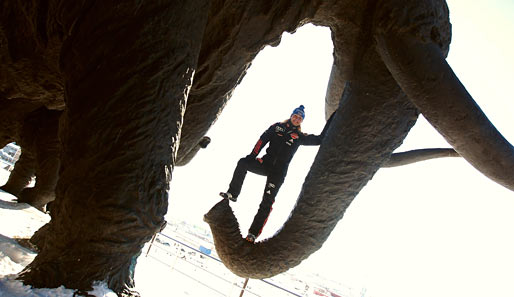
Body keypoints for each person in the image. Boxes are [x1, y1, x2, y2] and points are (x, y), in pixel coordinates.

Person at [219, 105, 334, 243]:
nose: (297, 119)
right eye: (295, 116)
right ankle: (233, 193)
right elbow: (262, 140)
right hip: (264, 164)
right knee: (243, 163)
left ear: (301, 121)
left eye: (300, 118)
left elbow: (319, 140)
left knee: (267, 202)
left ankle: (252, 234)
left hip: (278, 173)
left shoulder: (299, 136)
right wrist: (253, 155)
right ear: (291, 115)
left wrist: (332, 119)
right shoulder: (277, 127)